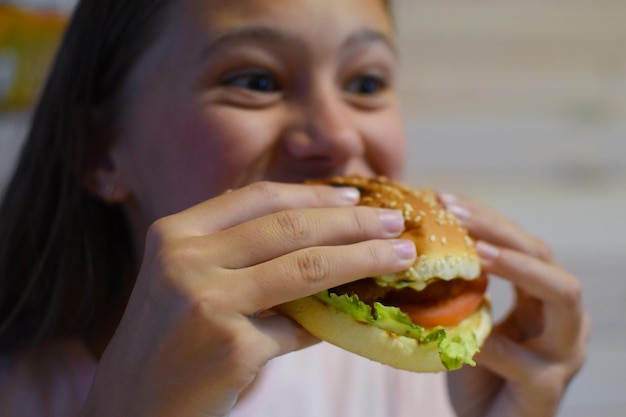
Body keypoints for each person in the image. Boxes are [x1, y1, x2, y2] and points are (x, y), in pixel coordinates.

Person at [0, 0, 590, 416]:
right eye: (255, 80)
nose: (336, 136)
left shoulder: (432, 387)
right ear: (99, 152)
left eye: (365, 84)